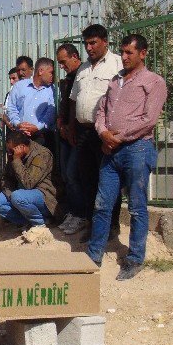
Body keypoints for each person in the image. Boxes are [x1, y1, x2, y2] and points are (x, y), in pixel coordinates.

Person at [87, 34, 167, 280]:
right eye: (122, 52)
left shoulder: (153, 82)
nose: (124, 57)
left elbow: (149, 120)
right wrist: (103, 133)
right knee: (102, 204)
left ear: (142, 53)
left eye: (130, 53)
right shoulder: (115, 81)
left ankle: (134, 258)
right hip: (111, 151)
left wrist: (118, 137)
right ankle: (93, 255)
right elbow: (100, 111)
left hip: (137, 150)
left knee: (136, 207)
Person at [70, 24, 124, 242]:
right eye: (86, 44)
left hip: (105, 132)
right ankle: (95, 225)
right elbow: (74, 99)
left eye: (93, 43)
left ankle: (112, 225)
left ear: (105, 42)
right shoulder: (83, 69)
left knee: (109, 180)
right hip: (84, 132)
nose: (89, 48)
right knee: (87, 179)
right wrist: (72, 126)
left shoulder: (118, 64)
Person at [0, 130, 57, 229]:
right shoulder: (14, 155)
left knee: (18, 196)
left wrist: (17, 160)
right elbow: (6, 178)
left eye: (11, 150)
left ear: (22, 147)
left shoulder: (42, 154)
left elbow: (29, 184)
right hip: (19, 195)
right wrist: (9, 194)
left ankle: (39, 222)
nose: (9, 153)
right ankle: (27, 221)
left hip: (43, 195)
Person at [55, 43, 87, 235]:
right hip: (66, 134)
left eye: (63, 62)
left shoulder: (84, 75)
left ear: (75, 56)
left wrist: (72, 128)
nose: (61, 66)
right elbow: (65, 105)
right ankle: (74, 212)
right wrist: (62, 124)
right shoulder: (68, 79)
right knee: (67, 175)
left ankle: (81, 214)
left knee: (74, 174)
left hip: (78, 134)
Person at [5, 57, 56, 147]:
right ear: (40, 71)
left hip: (41, 138)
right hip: (20, 137)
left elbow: (51, 112)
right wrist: (18, 124)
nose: (52, 75)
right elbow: (11, 108)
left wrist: (37, 127)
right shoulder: (19, 87)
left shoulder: (52, 90)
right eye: (50, 72)